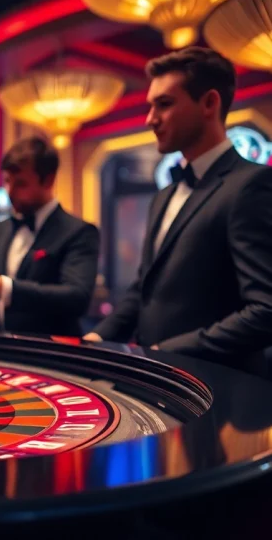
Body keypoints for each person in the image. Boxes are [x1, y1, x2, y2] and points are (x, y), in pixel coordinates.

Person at [83, 47, 272, 374]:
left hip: (218, 392)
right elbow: (144, 289)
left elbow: (266, 309)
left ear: (209, 103)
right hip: (161, 382)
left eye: (164, 104)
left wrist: (169, 352)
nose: (149, 119)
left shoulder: (251, 185)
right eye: (150, 105)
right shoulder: (164, 195)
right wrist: (99, 337)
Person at [0, 137, 100, 337]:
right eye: (7, 181)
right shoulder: (1, 228)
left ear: (48, 180)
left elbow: (76, 298)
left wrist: (3, 286)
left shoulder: (78, 232)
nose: (10, 192)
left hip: (51, 354)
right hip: (3, 352)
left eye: (20, 183)